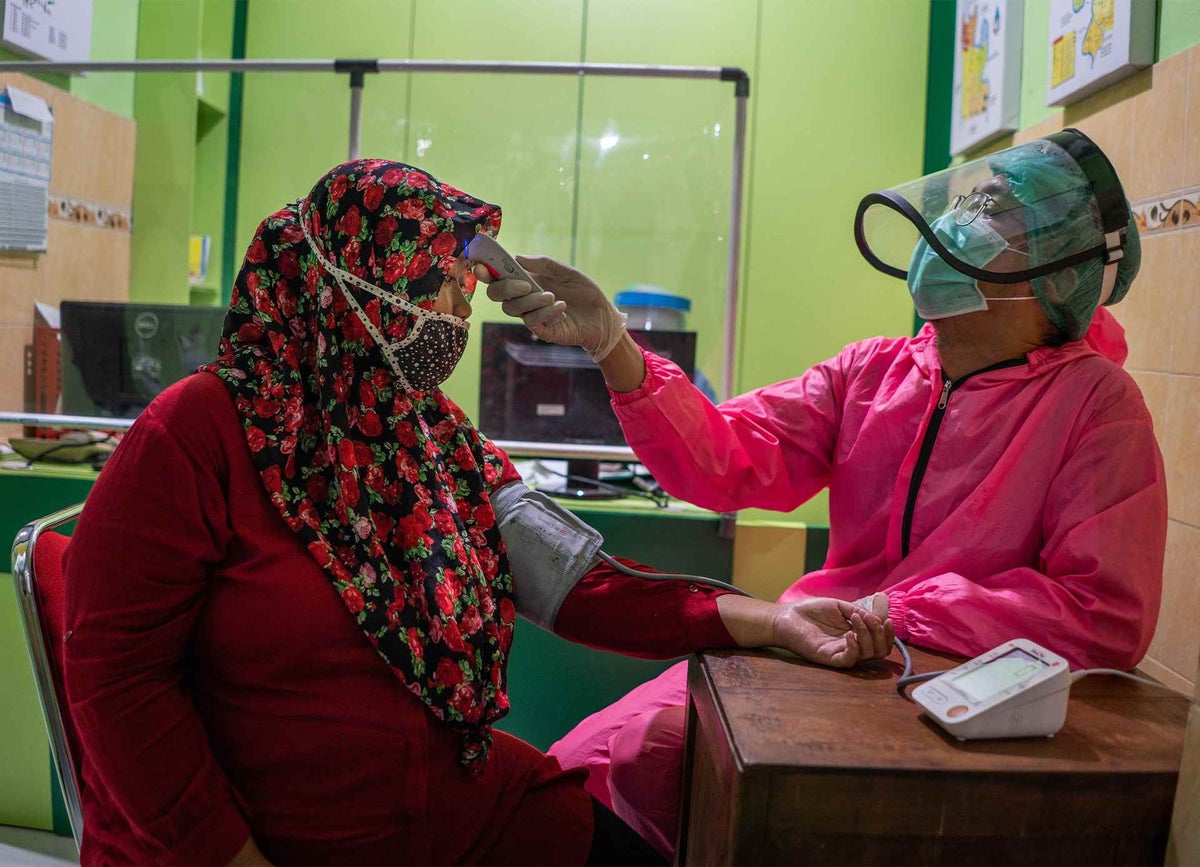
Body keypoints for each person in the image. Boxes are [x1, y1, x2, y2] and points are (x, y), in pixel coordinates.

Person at [60, 159, 892, 866]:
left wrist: (770, 621)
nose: (462, 309)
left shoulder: (431, 436)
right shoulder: (198, 429)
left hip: (448, 806)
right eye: (442, 280)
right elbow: (115, 674)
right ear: (360, 288)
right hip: (274, 838)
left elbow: (579, 587)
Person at [478, 129, 1167, 857]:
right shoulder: (874, 372)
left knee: (658, 763)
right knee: (585, 766)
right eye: (968, 193)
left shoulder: (1095, 402)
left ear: (1053, 271)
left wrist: (894, 608)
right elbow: (723, 461)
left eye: (991, 204)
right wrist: (613, 345)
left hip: (946, 698)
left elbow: (1102, 614)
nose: (955, 216)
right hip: (819, 650)